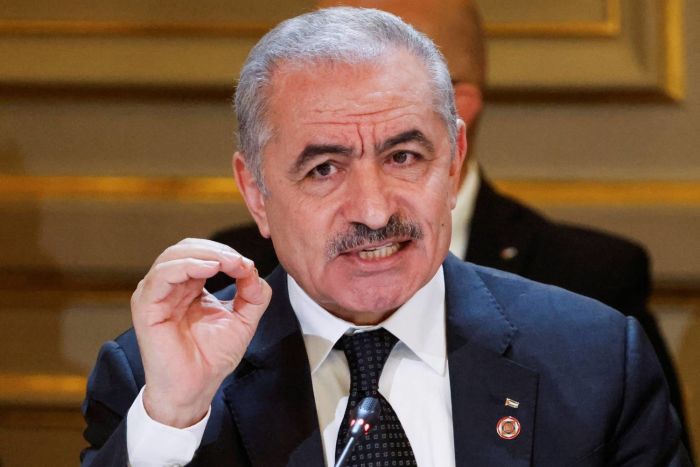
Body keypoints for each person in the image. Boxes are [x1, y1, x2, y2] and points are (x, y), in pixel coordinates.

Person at [81, 7, 691, 466]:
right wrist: (173, 419)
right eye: (324, 169)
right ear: (256, 191)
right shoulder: (154, 380)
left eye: (403, 157)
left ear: (454, 162)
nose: (373, 212)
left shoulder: (595, 360)